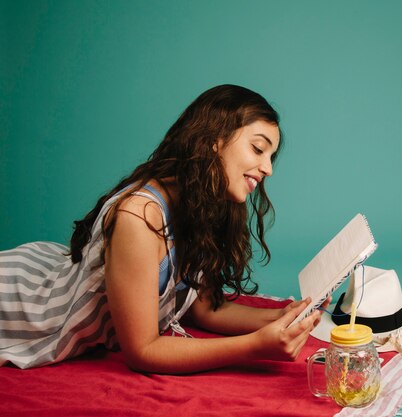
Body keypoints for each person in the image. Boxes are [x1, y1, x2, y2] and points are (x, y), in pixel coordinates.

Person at [0, 84, 326, 373]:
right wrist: (256, 346)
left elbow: (205, 309)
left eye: (271, 156)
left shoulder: (204, 204)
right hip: (23, 306)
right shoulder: (138, 216)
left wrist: (284, 316)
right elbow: (143, 350)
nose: (267, 168)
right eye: (258, 148)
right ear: (215, 140)